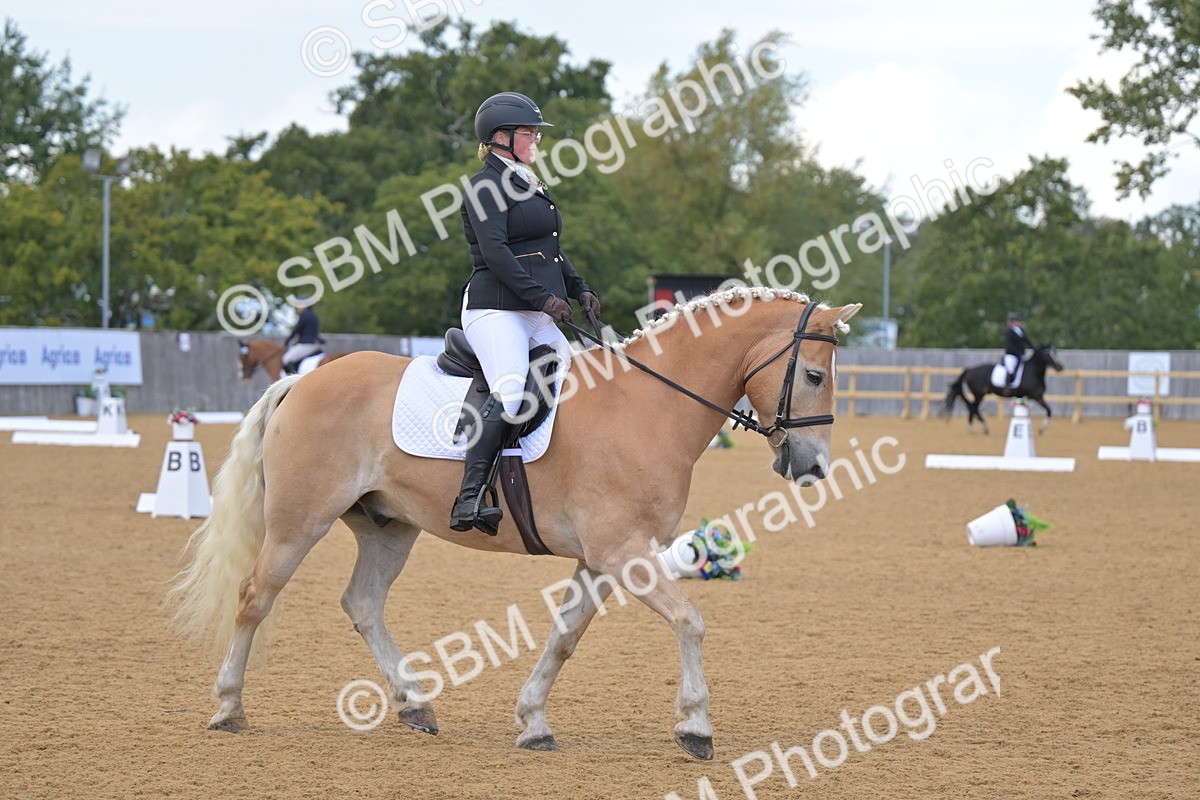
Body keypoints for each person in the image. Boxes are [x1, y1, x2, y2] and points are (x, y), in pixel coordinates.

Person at [449, 91, 601, 535]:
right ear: (502, 137)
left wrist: (579, 288)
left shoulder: (526, 182)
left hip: (534, 309)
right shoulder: (483, 188)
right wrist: (543, 299)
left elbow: (550, 251)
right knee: (512, 390)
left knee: (582, 380)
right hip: (495, 309)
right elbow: (496, 255)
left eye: (535, 132)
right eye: (530, 132)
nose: (536, 139)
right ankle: (470, 495)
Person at [282, 301, 323, 373]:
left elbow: (297, 330)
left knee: (286, 359)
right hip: (315, 343)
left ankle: (293, 380)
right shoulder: (314, 315)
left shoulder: (304, 315)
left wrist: (287, 341)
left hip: (307, 344)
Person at [1003, 311, 1033, 387]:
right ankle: (1007, 387)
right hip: (1012, 355)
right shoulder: (1009, 332)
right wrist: (1018, 353)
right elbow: (1010, 345)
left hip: (1021, 355)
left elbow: (1027, 341)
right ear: (1013, 322)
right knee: (1011, 369)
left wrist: (1035, 348)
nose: (1019, 322)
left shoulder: (1021, 331)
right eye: (1017, 321)